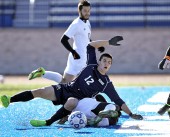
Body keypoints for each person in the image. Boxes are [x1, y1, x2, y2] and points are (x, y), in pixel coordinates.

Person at [1, 36, 143, 127]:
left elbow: (118, 100)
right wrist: (108, 42)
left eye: (109, 62)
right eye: (104, 60)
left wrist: (130, 114)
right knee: (40, 91)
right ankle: (9, 99)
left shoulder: (106, 83)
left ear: (110, 66)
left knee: (71, 102)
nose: (106, 63)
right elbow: (90, 46)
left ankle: (48, 122)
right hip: (66, 88)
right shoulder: (92, 64)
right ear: (99, 61)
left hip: (79, 100)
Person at [28, 0, 92, 83]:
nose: (87, 13)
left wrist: (96, 45)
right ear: (79, 11)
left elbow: (86, 38)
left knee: (65, 82)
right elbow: (63, 39)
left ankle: (43, 73)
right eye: (85, 11)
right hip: (79, 58)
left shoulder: (87, 22)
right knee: (87, 82)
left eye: (88, 11)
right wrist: (73, 52)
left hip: (81, 57)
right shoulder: (76, 24)